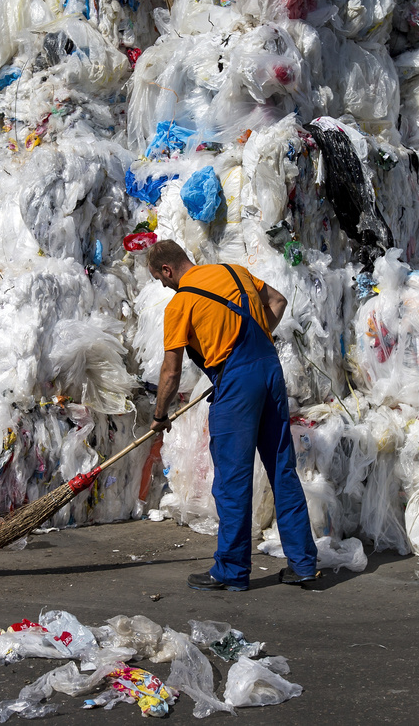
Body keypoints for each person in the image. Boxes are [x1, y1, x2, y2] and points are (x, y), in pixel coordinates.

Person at [145, 239, 318, 591]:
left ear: (167, 269)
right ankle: (303, 564)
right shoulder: (233, 272)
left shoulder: (181, 304)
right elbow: (278, 301)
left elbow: (170, 372)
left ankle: (232, 570)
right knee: (282, 469)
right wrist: (248, 351)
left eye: (161, 279)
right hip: (269, 370)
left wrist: (160, 414)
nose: (164, 286)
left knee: (232, 480)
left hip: (238, 384)